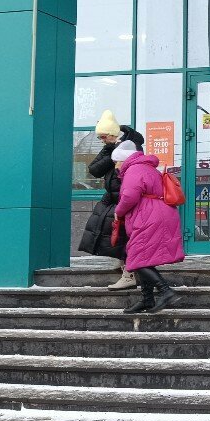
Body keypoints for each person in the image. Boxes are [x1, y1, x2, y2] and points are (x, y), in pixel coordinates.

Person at [111, 140, 185, 314]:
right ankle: (147, 300)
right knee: (143, 257)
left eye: (117, 161)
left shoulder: (134, 170)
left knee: (136, 257)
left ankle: (166, 292)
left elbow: (130, 196)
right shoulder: (147, 168)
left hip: (149, 217)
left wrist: (118, 211)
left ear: (124, 159)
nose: (116, 166)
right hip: (158, 214)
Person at [78, 110, 145, 290]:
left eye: (103, 137)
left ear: (113, 133)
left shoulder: (133, 145)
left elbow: (131, 172)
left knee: (125, 237)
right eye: (99, 137)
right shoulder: (110, 146)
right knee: (108, 231)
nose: (102, 140)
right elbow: (94, 169)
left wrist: (117, 151)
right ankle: (122, 263)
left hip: (126, 197)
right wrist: (111, 151)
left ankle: (129, 274)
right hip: (112, 197)